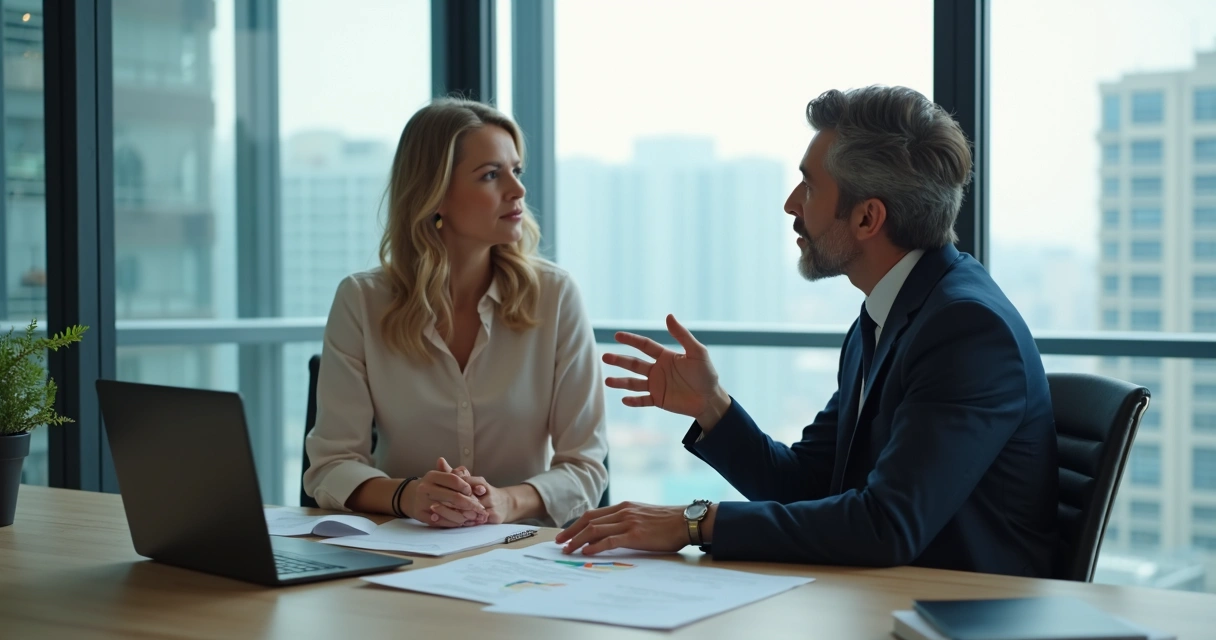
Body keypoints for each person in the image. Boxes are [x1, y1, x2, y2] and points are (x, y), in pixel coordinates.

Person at [557, 86, 1059, 577]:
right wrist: (713, 408)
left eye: (810, 186)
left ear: (867, 217)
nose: (791, 204)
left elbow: (885, 525)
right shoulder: (891, 312)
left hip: (958, 615)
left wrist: (693, 523)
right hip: (883, 598)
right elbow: (807, 485)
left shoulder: (966, 329)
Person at [304, 99, 607, 528]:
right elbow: (330, 467)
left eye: (515, 171)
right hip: (407, 551)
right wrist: (410, 497)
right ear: (435, 194)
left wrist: (505, 502)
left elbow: (585, 467)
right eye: (490, 175)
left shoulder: (555, 297)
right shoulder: (362, 301)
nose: (517, 190)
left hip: (523, 557)